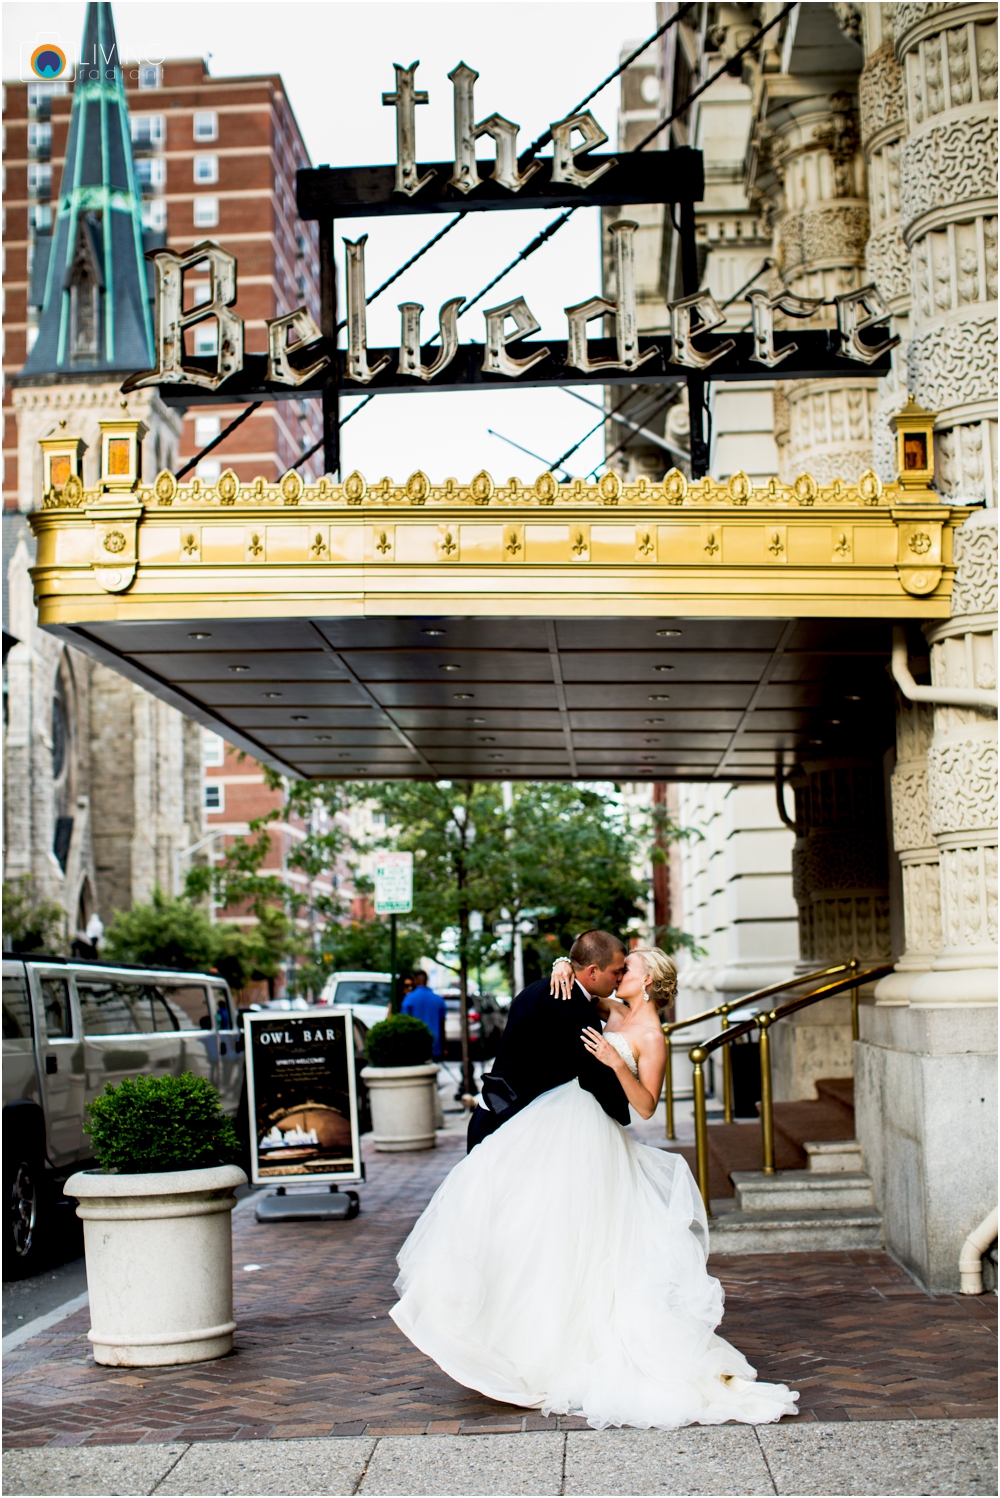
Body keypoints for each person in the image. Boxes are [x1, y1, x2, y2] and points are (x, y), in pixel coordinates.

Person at [389, 934, 799, 1431]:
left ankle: (585, 1347)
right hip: (557, 1125)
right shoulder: (609, 1007)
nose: (621, 971)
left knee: (601, 1243)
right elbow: (584, 975)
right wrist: (563, 962)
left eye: (630, 968)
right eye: (619, 967)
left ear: (645, 980)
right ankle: (534, 1337)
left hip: (597, 1135)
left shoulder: (650, 1036)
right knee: (547, 1234)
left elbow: (645, 1105)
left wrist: (612, 1063)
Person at [401, 970, 447, 1060]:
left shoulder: (409, 999)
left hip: (415, 1044)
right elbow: (442, 1025)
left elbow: (404, 1022)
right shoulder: (439, 1000)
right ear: (426, 980)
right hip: (435, 1043)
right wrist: (444, 1047)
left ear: (415, 981)